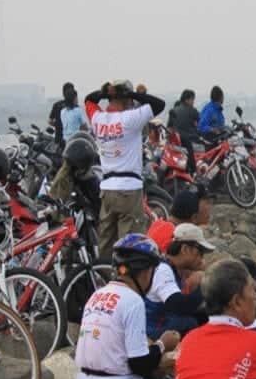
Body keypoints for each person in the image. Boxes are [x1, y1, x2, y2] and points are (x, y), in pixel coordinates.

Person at [74, 234, 180, 379]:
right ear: (146, 272)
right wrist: (163, 344)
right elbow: (140, 365)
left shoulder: (97, 295)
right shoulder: (133, 301)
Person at [85, 80, 166, 259]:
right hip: (129, 189)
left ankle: (103, 274)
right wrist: (131, 94)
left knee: (106, 244)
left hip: (107, 189)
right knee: (130, 246)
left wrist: (105, 93)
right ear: (127, 98)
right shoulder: (130, 118)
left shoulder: (98, 119)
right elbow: (159, 104)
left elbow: (89, 100)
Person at [143, 223, 214, 340]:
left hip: (161, 321)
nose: (202, 258)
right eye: (200, 252)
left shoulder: (173, 267)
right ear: (185, 249)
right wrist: (205, 285)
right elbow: (179, 306)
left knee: (206, 316)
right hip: (150, 330)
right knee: (191, 323)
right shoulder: (163, 270)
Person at [147, 183, 212, 253]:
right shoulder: (174, 238)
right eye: (207, 203)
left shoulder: (161, 225)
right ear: (194, 217)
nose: (210, 207)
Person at [169, 89, 201, 172]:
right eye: (192, 99)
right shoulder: (192, 110)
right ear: (187, 100)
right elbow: (201, 124)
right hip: (188, 141)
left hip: (174, 142)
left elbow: (169, 128)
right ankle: (194, 171)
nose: (193, 102)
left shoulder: (174, 110)